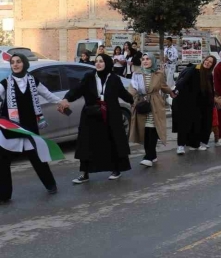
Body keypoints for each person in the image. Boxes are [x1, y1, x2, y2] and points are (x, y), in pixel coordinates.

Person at [58, 54, 134, 183]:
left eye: (101, 61)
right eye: (96, 61)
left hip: (110, 114)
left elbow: (124, 94)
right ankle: (85, 173)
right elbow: (77, 90)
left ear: (107, 64)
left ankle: (116, 169)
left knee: (112, 141)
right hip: (91, 114)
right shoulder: (89, 77)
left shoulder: (114, 79)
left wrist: (134, 100)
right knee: (87, 143)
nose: (98, 64)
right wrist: (66, 98)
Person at [0, 54, 60, 202]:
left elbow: (48, 95)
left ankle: (51, 185)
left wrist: (61, 102)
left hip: (29, 128)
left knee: (37, 158)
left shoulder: (34, 81)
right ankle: (4, 195)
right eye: (12, 62)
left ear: (24, 64)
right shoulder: (5, 83)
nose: (15, 65)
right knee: (3, 162)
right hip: (11, 128)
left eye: (18, 62)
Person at [128, 53, 174, 167]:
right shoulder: (136, 74)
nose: (145, 61)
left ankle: (148, 156)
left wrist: (172, 93)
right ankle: (152, 155)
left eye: (148, 59)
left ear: (153, 61)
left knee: (153, 129)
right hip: (142, 104)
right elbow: (133, 88)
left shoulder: (159, 74)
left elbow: (164, 86)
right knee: (145, 131)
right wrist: (129, 97)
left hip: (155, 104)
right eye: (143, 59)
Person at [172, 55, 218, 154]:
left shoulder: (209, 74)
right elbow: (183, 81)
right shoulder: (194, 69)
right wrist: (175, 90)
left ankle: (195, 143)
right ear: (204, 60)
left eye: (210, 62)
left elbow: (210, 90)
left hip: (200, 103)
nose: (207, 63)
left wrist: (213, 101)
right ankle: (180, 146)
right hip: (187, 101)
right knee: (184, 124)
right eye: (207, 60)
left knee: (198, 124)